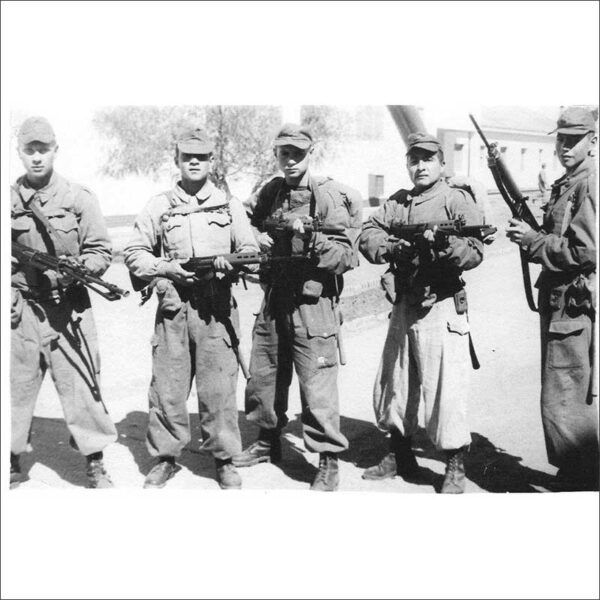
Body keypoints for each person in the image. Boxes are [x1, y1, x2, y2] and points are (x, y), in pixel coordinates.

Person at [124, 127, 259, 489]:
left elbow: (250, 251)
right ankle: (166, 458)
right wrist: (165, 267)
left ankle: (224, 460)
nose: (194, 163)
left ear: (211, 161)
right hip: (174, 311)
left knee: (219, 389)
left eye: (201, 157)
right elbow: (134, 252)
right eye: (188, 157)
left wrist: (232, 265)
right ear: (178, 160)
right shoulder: (160, 205)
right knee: (167, 389)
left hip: (216, 311)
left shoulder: (229, 205)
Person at [232, 124, 363, 491]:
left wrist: (313, 238)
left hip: (312, 302)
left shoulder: (330, 197)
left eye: (297, 154)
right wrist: (255, 236)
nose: (290, 160)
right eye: (283, 153)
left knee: (317, 384)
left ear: (311, 153)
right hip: (275, 296)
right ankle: (267, 441)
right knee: (265, 373)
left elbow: (347, 256)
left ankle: (327, 459)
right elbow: (243, 218)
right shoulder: (271, 192)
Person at [359, 132, 485, 493]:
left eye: (428, 159)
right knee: (396, 382)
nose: (421, 166)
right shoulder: (398, 203)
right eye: (414, 160)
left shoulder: (456, 199)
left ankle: (455, 463)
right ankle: (399, 454)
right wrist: (392, 247)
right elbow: (368, 232)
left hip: (441, 304)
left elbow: (475, 249)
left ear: (441, 163)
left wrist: (445, 246)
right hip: (404, 302)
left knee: (445, 386)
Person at [10, 116, 117, 488]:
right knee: (16, 386)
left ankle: (95, 462)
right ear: (19, 152)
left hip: (69, 305)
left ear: (56, 150)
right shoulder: (8, 200)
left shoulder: (78, 197)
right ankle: (11, 459)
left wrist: (81, 269)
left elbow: (100, 249)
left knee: (81, 384)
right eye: (30, 150)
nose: (37, 157)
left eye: (43, 149)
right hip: (22, 307)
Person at [506, 106, 598, 491]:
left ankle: (580, 480)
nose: (565, 147)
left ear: (593, 140)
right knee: (561, 390)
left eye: (574, 140)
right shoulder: (569, 182)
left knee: (566, 393)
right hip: (560, 304)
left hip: (572, 306)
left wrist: (533, 241)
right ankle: (576, 473)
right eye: (561, 139)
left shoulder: (588, 183)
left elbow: (585, 251)